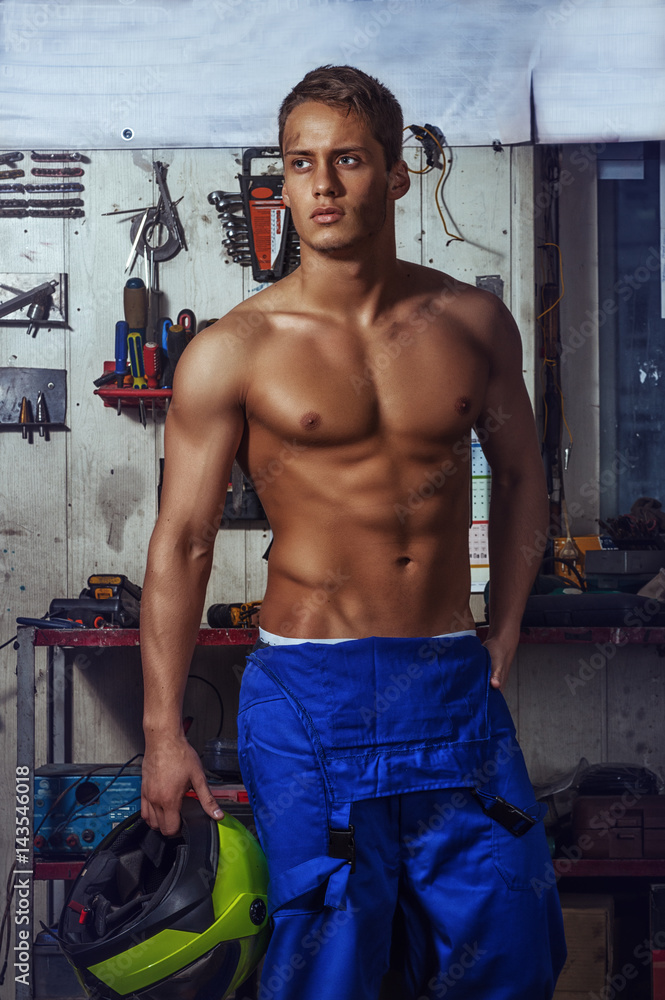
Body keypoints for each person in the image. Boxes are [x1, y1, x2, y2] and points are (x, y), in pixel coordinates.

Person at [140, 66, 566, 999]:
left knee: (507, 941)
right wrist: (162, 731)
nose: (322, 185)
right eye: (300, 163)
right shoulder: (233, 348)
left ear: (397, 173)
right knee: (326, 959)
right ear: (282, 182)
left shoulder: (471, 323)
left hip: (448, 681)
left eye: (348, 160)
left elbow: (522, 475)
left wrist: (505, 621)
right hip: (310, 692)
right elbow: (182, 541)